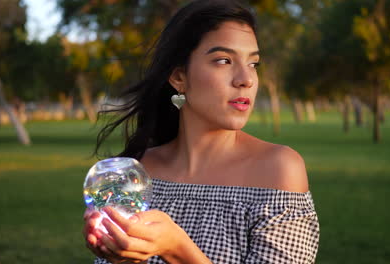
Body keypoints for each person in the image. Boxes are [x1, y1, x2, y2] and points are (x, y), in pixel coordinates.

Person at [83, 0, 320, 263]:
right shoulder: (136, 174)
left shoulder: (279, 171)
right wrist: (121, 256)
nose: (246, 79)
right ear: (179, 77)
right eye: (224, 60)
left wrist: (176, 249)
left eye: (253, 63)